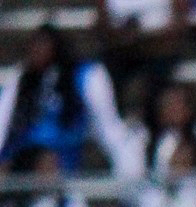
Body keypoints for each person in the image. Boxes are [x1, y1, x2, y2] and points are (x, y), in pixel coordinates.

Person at [0, 26, 134, 175]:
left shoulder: (84, 76)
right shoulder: (21, 80)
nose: (36, 51)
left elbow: (107, 128)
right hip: (24, 158)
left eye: (42, 44)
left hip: (63, 158)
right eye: (34, 46)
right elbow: (4, 123)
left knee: (48, 161)